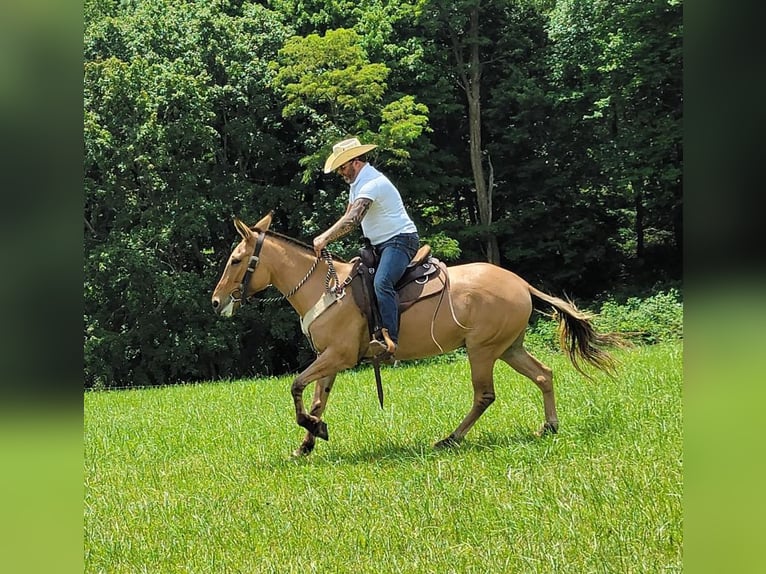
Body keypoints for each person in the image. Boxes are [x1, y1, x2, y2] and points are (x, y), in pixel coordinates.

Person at [313, 137, 419, 358]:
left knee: (382, 283)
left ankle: (389, 342)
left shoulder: (372, 182)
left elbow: (353, 219)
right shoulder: (357, 185)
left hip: (399, 240)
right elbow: (347, 216)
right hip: (380, 245)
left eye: (342, 167)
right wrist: (326, 237)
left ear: (356, 162)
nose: (341, 172)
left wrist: (324, 238)